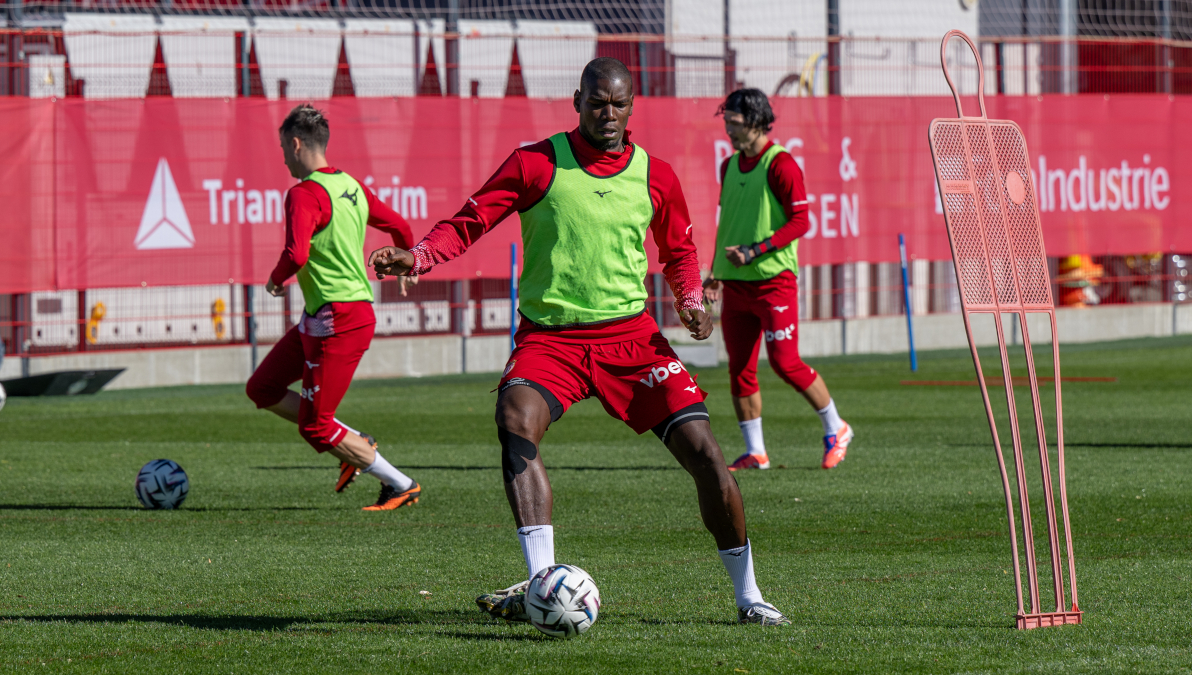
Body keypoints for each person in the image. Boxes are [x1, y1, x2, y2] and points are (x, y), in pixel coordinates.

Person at [370, 59, 790, 626]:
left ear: (632, 105)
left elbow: (680, 252)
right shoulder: (535, 163)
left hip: (632, 339)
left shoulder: (655, 174)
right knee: (515, 419)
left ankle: (749, 596)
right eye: (597, 102)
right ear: (577, 100)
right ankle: (542, 582)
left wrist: (692, 300)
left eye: (618, 104)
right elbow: (470, 220)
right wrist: (418, 255)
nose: (608, 114)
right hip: (552, 341)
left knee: (706, 454)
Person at [245, 104, 422, 511]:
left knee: (315, 428)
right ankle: (356, 444)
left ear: (294, 144)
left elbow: (297, 253)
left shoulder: (304, 193)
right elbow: (400, 225)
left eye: (282, 148)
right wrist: (406, 260)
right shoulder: (351, 186)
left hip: (340, 319)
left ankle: (401, 484)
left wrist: (275, 279)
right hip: (324, 316)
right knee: (262, 388)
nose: (284, 158)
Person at [703, 89, 853, 472]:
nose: (729, 131)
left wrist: (755, 250)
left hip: (774, 282)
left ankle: (837, 428)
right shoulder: (729, 166)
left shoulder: (781, 164)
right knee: (739, 369)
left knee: (785, 364)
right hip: (735, 282)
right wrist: (715, 272)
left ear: (755, 121)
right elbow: (728, 223)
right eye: (726, 124)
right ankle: (757, 452)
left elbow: (801, 221)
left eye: (734, 124)